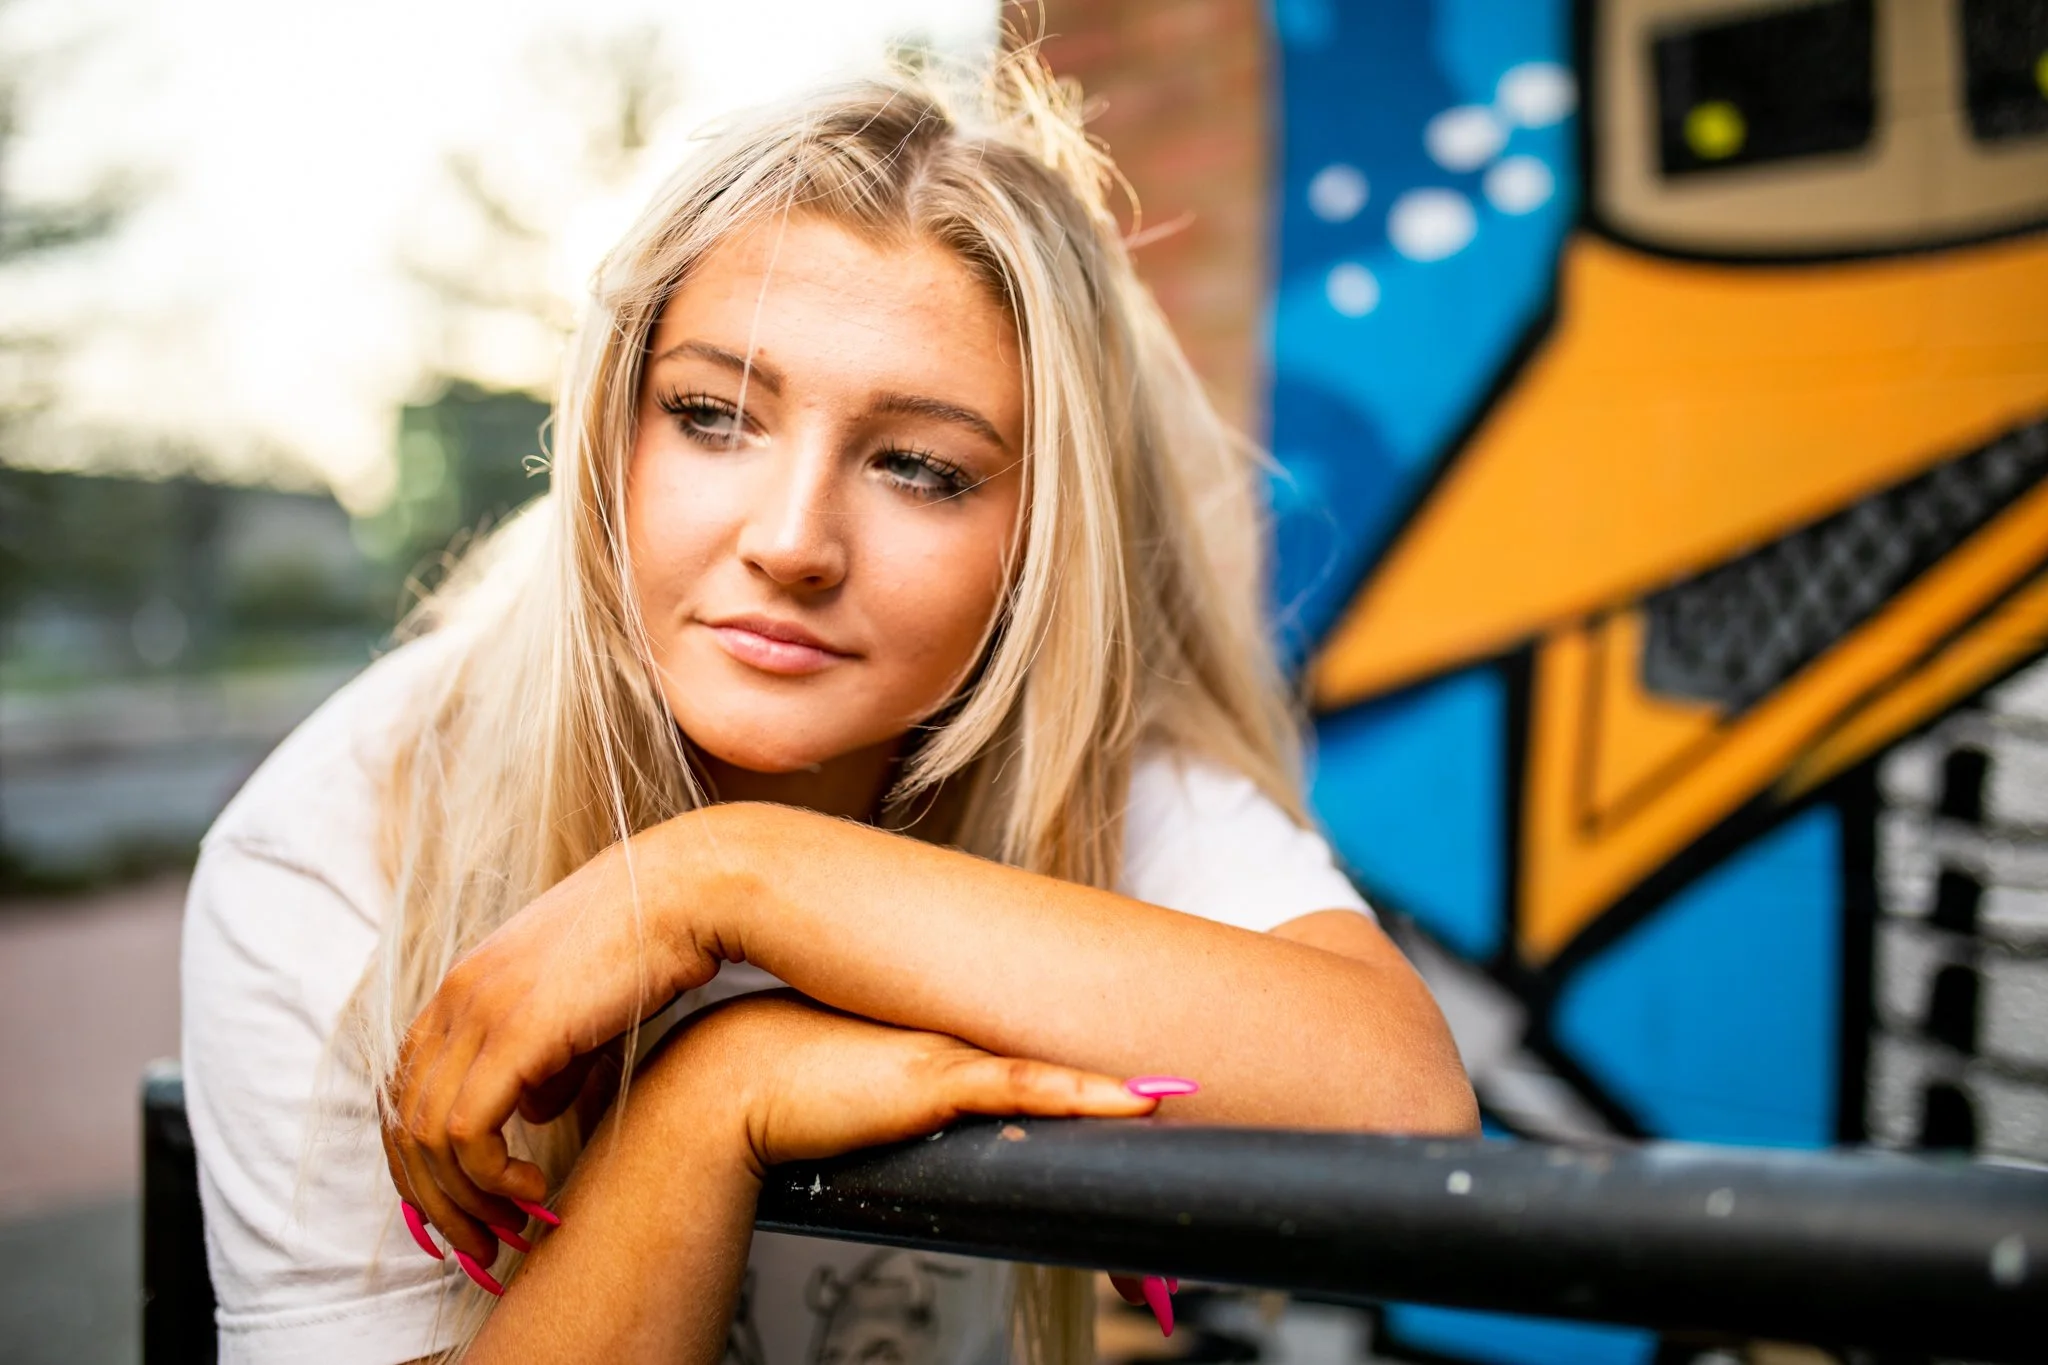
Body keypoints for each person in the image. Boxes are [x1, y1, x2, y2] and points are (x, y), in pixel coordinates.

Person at [180, 45, 1478, 1365]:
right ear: (609, 439)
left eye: (921, 467)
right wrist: (708, 1118)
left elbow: (1402, 1102)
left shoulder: (1069, 744)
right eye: (711, 415)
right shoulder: (339, 843)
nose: (793, 542)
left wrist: (731, 883)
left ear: (1043, 538)